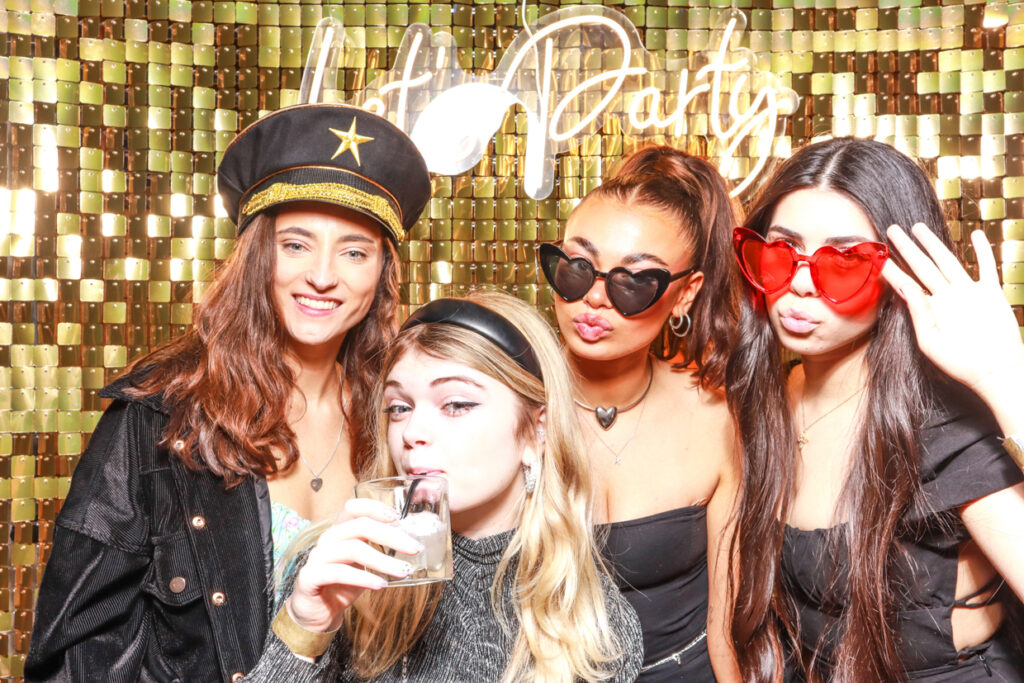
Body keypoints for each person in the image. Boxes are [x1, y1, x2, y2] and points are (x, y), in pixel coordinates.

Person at [25, 104, 431, 682]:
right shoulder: (163, 417)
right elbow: (73, 657)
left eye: (354, 251)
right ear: (256, 255)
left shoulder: (405, 416)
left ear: (383, 272)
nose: (322, 275)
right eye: (295, 245)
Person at [727, 136, 1024, 682]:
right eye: (779, 252)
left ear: (897, 280)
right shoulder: (764, 398)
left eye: (842, 263)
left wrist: (1007, 380)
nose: (797, 285)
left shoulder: (942, 428)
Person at [242, 293, 644, 682]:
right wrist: (304, 628)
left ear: (536, 431)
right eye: (399, 408)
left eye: (456, 404)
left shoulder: (596, 625)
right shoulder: (340, 569)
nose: (412, 432)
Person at [537, 145, 741, 680]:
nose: (595, 299)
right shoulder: (500, 406)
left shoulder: (715, 414)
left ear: (684, 294)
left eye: (634, 281)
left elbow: (728, 625)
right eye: (578, 267)